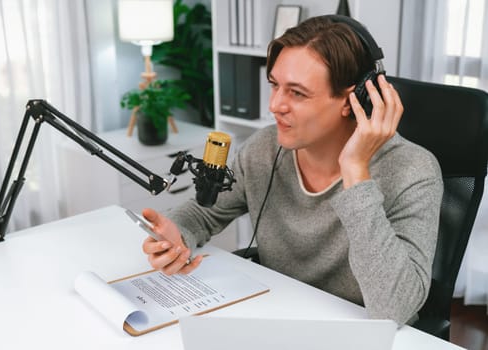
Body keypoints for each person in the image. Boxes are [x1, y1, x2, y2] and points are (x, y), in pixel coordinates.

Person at [141, 15, 443, 326]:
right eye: (274, 85)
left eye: (297, 93)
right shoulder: (264, 148)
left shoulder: (412, 171)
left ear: (353, 100)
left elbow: (394, 310)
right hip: (279, 316)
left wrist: (355, 170)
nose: (275, 105)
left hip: (359, 333)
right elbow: (204, 213)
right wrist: (175, 236)